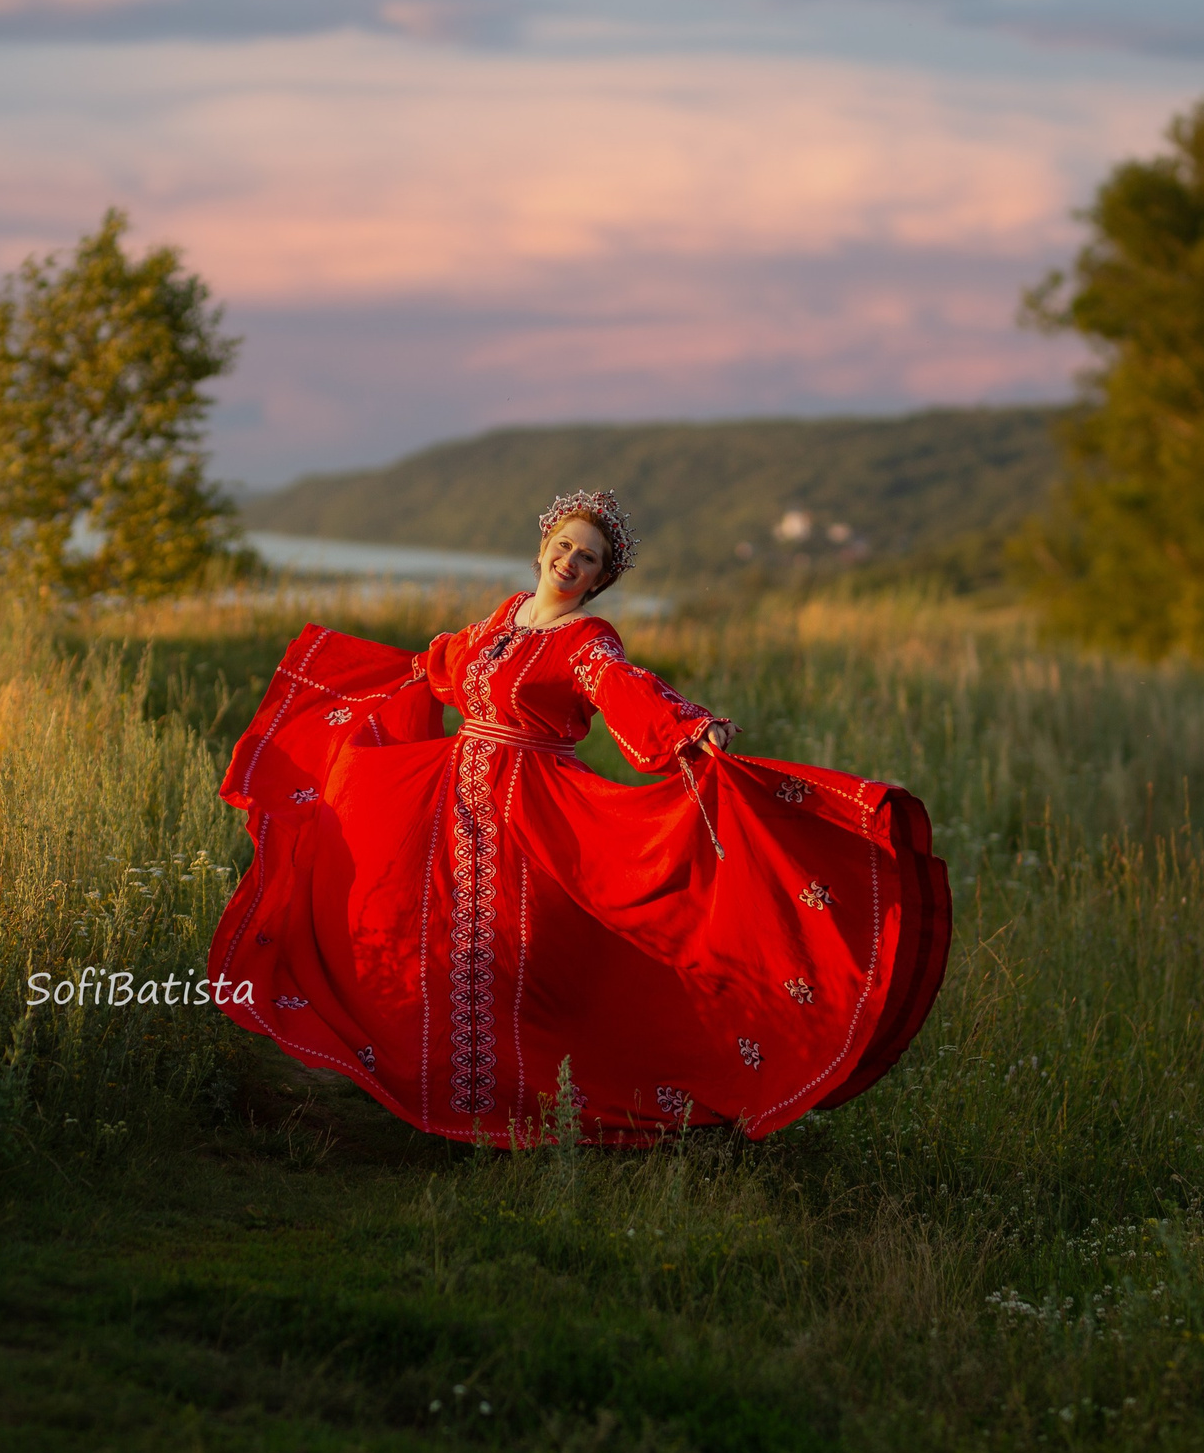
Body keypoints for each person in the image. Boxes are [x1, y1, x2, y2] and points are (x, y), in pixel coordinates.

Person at [204, 489, 950, 1145]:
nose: (569, 562)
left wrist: (687, 727)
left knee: (515, 953)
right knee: (432, 936)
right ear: (542, 548)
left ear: (599, 580)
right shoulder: (502, 617)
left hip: (531, 810)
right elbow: (443, 664)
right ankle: (438, 1092)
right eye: (563, 546)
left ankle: (507, 1110)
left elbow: (624, 690)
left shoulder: (588, 642)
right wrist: (363, 686)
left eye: (587, 559)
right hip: (450, 800)